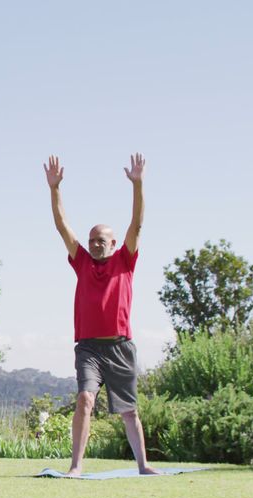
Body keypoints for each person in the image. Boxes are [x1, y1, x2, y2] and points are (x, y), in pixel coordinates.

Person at [45, 154, 161, 476]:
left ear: (113, 244)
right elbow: (61, 226)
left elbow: (136, 223)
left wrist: (138, 185)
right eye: (92, 240)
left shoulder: (125, 260)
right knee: (85, 398)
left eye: (101, 240)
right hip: (89, 348)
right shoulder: (81, 261)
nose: (95, 244)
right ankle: (76, 466)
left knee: (129, 411)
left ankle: (143, 465)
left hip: (121, 346)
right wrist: (55, 190)